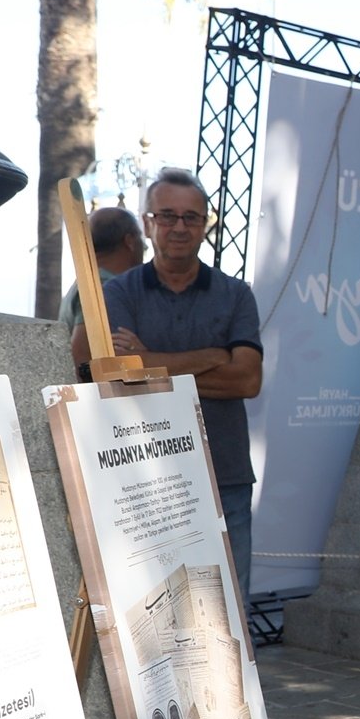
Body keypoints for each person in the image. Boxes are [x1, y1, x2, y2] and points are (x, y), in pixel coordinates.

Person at [74, 169, 264, 593]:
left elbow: (248, 380)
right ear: (148, 224)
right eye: (167, 215)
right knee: (155, 607)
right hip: (148, 478)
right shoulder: (118, 293)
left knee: (231, 606)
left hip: (225, 477)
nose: (179, 227)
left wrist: (149, 363)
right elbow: (119, 373)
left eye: (191, 217)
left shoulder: (236, 295)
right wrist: (213, 357)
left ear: (205, 225)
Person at [61, 204, 144, 341]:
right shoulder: (102, 287)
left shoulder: (89, 282)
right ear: (129, 241)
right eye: (140, 237)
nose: (144, 246)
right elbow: (81, 349)